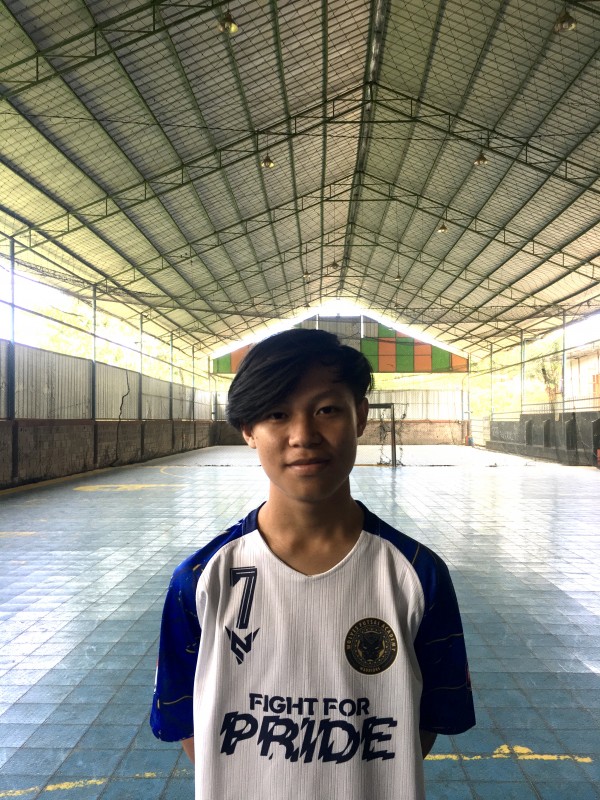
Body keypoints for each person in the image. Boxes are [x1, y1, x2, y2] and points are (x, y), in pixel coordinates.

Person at [150, 328, 475, 800]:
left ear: (360, 416)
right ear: (248, 430)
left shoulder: (417, 575)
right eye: (277, 414)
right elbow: (187, 721)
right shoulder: (202, 580)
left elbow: (423, 725)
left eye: (326, 410)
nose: (303, 436)